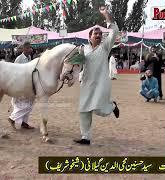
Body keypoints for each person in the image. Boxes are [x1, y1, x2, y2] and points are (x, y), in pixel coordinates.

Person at [74, 6, 120, 145]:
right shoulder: (83, 49)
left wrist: (106, 15)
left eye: (100, 33)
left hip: (101, 83)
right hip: (87, 83)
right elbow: (78, 64)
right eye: (96, 34)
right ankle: (85, 137)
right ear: (90, 37)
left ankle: (112, 107)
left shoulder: (105, 46)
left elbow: (115, 31)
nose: (99, 35)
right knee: (84, 109)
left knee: (99, 108)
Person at [8, 42, 35, 129]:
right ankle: (12, 118)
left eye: (30, 48)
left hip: (28, 84)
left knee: (29, 103)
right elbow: (13, 72)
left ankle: (24, 122)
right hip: (20, 85)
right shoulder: (19, 59)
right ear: (24, 49)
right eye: (28, 48)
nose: (30, 50)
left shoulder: (29, 58)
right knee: (25, 105)